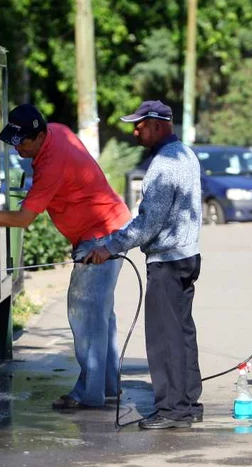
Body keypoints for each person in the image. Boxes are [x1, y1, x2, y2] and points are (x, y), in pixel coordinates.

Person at [0, 104, 131, 409]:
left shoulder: (52, 162)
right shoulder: (58, 132)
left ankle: (89, 395)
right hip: (109, 227)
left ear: (40, 136)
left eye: (24, 142)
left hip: (101, 235)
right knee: (100, 315)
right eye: (14, 141)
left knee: (84, 312)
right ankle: (107, 387)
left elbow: (24, 220)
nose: (18, 148)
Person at [85, 100, 203, 429]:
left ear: (159, 124)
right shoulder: (185, 153)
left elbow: (149, 223)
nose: (134, 130)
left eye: (139, 124)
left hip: (167, 260)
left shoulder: (164, 163)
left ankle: (172, 411)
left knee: (164, 337)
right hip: (188, 255)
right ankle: (190, 401)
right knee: (181, 332)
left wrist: (109, 246)